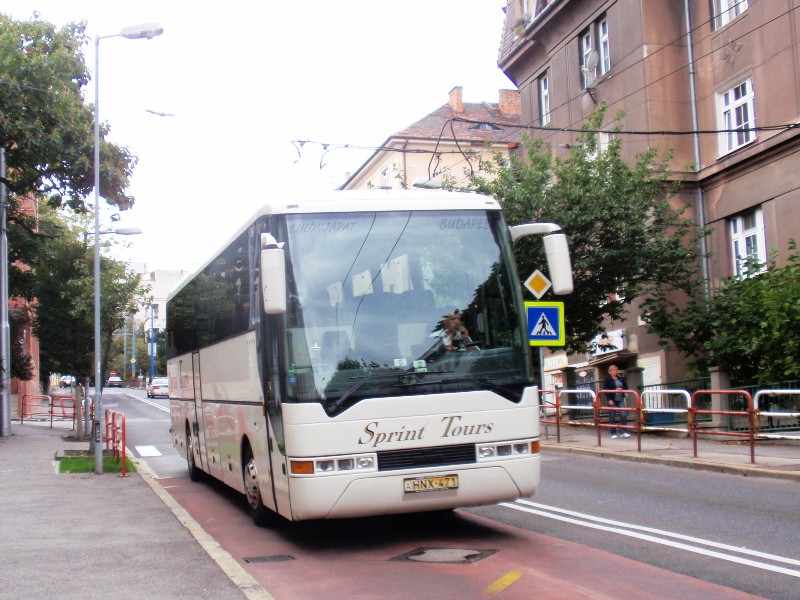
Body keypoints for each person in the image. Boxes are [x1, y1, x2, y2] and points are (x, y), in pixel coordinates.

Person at [603, 364, 629, 438]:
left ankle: (624, 431)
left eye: (616, 370)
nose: (615, 372)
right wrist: (609, 399)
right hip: (612, 399)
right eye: (614, 370)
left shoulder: (620, 378)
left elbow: (626, 387)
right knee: (612, 416)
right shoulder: (607, 379)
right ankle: (613, 433)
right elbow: (606, 390)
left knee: (623, 414)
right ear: (610, 371)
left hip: (620, 398)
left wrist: (622, 389)